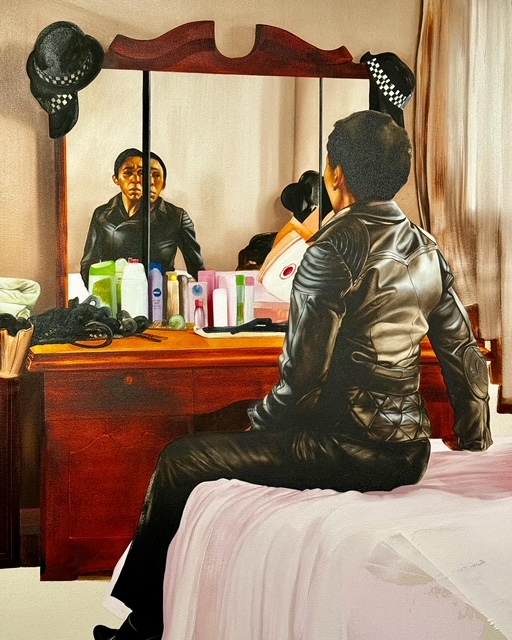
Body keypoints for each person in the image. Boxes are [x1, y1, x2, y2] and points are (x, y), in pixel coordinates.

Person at [93, 111, 492, 640]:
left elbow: (303, 378)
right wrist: (474, 435)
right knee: (227, 430)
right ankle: (143, 621)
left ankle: (142, 625)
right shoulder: (426, 247)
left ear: (336, 174)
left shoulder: (332, 247)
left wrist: (260, 423)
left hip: (347, 449)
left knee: (181, 457)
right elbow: (463, 353)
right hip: (410, 452)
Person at [80, 149, 204, 287]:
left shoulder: (176, 217)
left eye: (141, 173)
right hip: (116, 296)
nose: (135, 179)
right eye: (128, 173)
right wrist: (102, 294)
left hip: (158, 294)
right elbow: (88, 265)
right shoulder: (102, 215)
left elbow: (197, 269)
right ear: (116, 179)